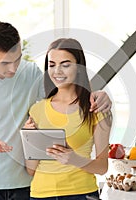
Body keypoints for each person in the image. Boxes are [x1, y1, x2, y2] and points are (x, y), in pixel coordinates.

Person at [0, 22, 112, 200]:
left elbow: (65, 92)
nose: (13, 68)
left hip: (26, 185)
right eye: (5, 63)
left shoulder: (31, 72)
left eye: (17, 59)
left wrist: (100, 95)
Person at [24, 38, 112, 200]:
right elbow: (31, 170)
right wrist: (30, 142)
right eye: (51, 65)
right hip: (40, 194)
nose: (57, 71)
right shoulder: (37, 110)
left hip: (81, 193)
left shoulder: (96, 108)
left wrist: (75, 160)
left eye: (65, 65)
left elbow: (102, 167)